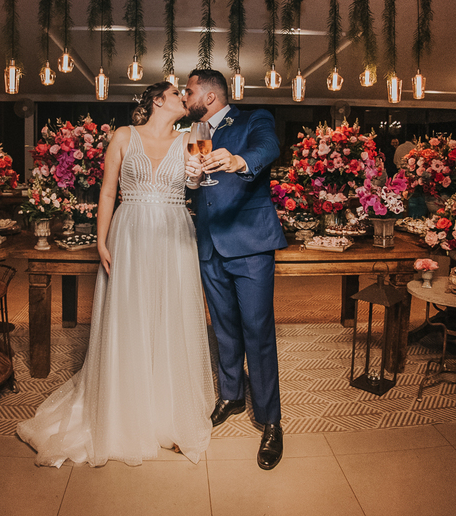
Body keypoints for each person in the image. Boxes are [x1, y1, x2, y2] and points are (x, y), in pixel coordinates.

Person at [18, 82, 214, 467]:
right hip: (131, 231)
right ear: (158, 100)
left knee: (171, 315)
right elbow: (107, 192)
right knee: (131, 315)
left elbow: (197, 185)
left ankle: (170, 413)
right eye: (178, 93)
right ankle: (126, 409)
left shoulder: (196, 134)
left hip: (175, 233)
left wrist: (198, 169)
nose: (185, 99)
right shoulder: (124, 135)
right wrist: (102, 242)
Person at [182, 68, 287, 470]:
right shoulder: (193, 134)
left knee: (257, 331)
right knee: (223, 328)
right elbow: (199, 187)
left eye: (189, 90)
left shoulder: (252, 119)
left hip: (250, 244)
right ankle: (231, 396)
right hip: (209, 244)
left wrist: (239, 159)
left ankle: (270, 419)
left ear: (209, 96)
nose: (185, 96)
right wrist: (191, 181)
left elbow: (268, 148)